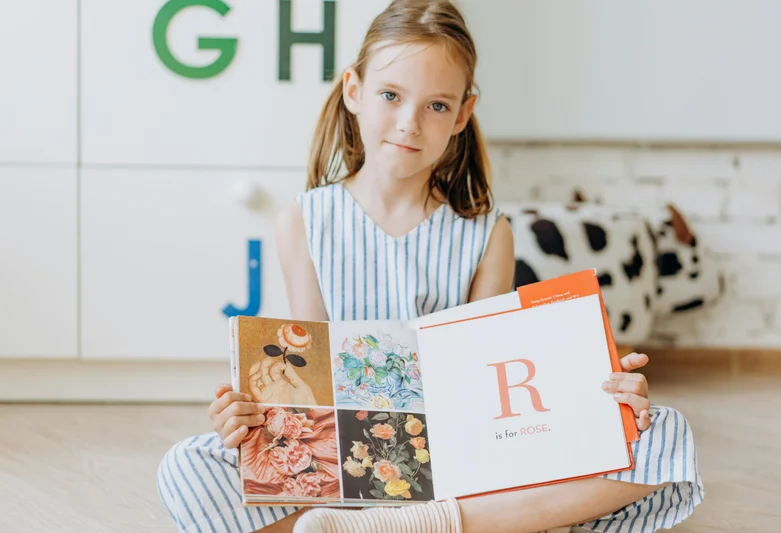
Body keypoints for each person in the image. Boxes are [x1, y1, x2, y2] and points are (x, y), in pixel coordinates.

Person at [156, 1, 704, 532]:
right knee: (186, 468)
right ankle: (443, 525)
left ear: (463, 113)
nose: (409, 123)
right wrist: (253, 418)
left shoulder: (487, 234)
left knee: (663, 433)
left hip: (462, 453)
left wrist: (599, 391)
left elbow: (501, 383)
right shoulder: (303, 220)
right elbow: (312, 378)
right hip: (344, 455)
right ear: (354, 91)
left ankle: (404, 525)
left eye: (436, 106)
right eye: (390, 95)